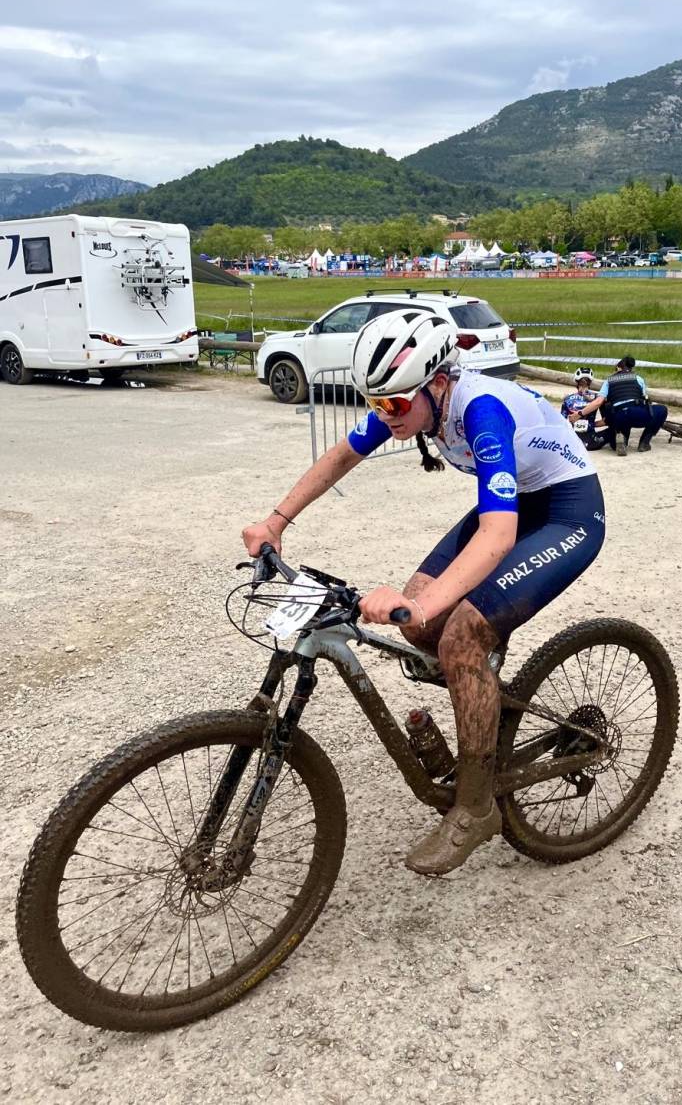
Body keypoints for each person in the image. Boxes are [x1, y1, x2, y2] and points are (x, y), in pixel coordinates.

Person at [241, 309, 606, 876]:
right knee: (419, 621)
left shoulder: (481, 411)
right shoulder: (406, 402)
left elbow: (498, 535)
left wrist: (437, 609)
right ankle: (478, 690)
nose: (385, 417)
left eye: (393, 405)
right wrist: (277, 521)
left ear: (438, 382)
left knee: (456, 631)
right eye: (375, 404)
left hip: (565, 512)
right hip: (515, 505)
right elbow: (342, 455)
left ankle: (477, 806)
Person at [575, 355, 668, 454]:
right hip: (637, 413)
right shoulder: (638, 378)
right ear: (631, 368)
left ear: (618, 368)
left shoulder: (608, 381)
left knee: (619, 428)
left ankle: (619, 440)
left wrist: (579, 414)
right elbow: (644, 398)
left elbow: (598, 402)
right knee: (662, 410)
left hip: (619, 416)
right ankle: (644, 443)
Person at [560, 366, 606, 450]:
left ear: (576, 381)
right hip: (592, 442)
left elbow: (561, 422)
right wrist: (591, 424)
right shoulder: (597, 398)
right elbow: (606, 421)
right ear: (590, 382)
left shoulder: (567, 399)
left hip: (571, 443)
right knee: (612, 431)